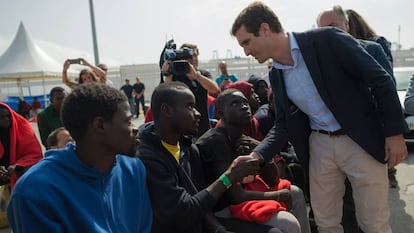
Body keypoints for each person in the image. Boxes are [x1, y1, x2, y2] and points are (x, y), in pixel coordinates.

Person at [230, 2, 407, 233]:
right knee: (325, 224)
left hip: (361, 141)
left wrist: (394, 133)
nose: (245, 52)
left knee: (374, 224)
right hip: (320, 146)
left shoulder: (327, 39)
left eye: (246, 42)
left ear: (264, 29)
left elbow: (380, 79)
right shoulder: (276, 74)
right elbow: (282, 124)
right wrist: (255, 156)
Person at [7, 83, 152, 233]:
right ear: (100, 125)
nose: (136, 129)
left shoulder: (133, 169)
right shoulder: (35, 192)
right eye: (128, 122)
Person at [137, 82, 276, 233]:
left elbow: (201, 202)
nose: (198, 113)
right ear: (167, 111)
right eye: (190, 107)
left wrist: (219, 230)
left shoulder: (189, 149)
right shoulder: (148, 158)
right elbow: (185, 212)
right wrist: (230, 176)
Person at [196, 88, 310, 233]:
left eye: (244, 102)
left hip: (240, 200)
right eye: (235, 104)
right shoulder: (216, 141)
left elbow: (273, 180)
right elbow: (236, 196)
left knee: (296, 193)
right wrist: (278, 195)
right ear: (220, 113)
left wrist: (258, 148)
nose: (244, 106)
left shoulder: (242, 138)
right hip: (221, 209)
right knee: (288, 223)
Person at [317, 6, 394, 84]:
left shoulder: (373, 47)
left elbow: (386, 82)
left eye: (332, 26)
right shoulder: (321, 54)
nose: (328, 32)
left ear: (347, 24)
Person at [161, 43, 220, 137]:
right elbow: (165, 95)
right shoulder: (175, 75)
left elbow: (215, 89)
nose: (193, 59)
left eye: (195, 55)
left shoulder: (203, 74)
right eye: (189, 56)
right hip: (182, 130)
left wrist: (197, 76)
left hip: (202, 128)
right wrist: (168, 74)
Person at [0, 103, 43, 189]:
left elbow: (34, 154)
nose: (7, 119)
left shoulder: (23, 127)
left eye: (8, 116)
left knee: (33, 172)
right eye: (2, 117)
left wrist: (18, 165)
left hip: (18, 170)